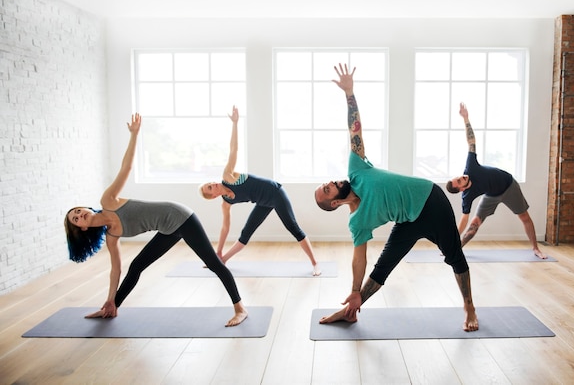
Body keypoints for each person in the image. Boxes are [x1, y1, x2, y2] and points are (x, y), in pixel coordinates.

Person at [314, 64, 479, 332]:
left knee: (455, 256)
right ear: (334, 203)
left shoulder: (356, 169)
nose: (332, 182)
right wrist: (355, 289)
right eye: (329, 189)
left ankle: (469, 307)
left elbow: (355, 130)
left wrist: (349, 93)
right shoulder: (357, 223)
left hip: (431, 201)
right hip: (408, 220)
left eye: (329, 183)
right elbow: (359, 259)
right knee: (382, 268)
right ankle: (351, 308)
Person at [64, 113, 248, 326]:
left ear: (86, 208)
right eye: (75, 219)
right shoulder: (111, 236)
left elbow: (126, 168)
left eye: (77, 210)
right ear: (82, 229)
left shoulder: (108, 200)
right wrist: (110, 300)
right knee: (136, 266)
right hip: (167, 228)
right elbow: (116, 270)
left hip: (180, 216)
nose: (79, 214)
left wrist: (134, 135)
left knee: (212, 263)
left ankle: (240, 309)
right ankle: (113, 308)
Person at [199, 105, 321, 276]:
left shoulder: (228, 176)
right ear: (212, 196)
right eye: (210, 187)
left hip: (275, 193)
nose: (214, 184)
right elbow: (225, 228)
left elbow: (234, 149)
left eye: (210, 183)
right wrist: (218, 251)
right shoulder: (226, 204)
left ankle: (315, 264)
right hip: (263, 202)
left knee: (293, 228)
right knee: (245, 234)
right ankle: (223, 260)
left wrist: (235, 123)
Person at [446, 102, 547, 259]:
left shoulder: (470, 167)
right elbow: (464, 219)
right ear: (461, 189)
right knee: (474, 224)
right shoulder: (467, 196)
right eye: (459, 182)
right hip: (491, 195)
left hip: (509, 186)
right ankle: (457, 249)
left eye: (458, 177)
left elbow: (471, 142)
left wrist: (466, 118)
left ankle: (535, 248)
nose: (461, 178)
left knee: (524, 217)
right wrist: (452, 241)